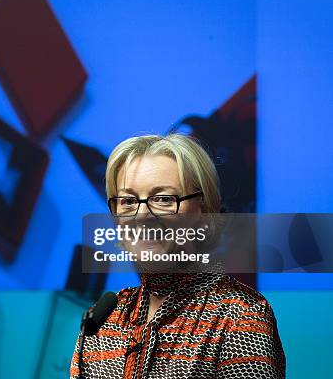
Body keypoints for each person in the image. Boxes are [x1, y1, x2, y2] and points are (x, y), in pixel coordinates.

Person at [70, 134, 285, 379]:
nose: (141, 216)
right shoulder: (104, 319)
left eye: (163, 199)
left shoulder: (241, 316)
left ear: (204, 211)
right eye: (128, 201)